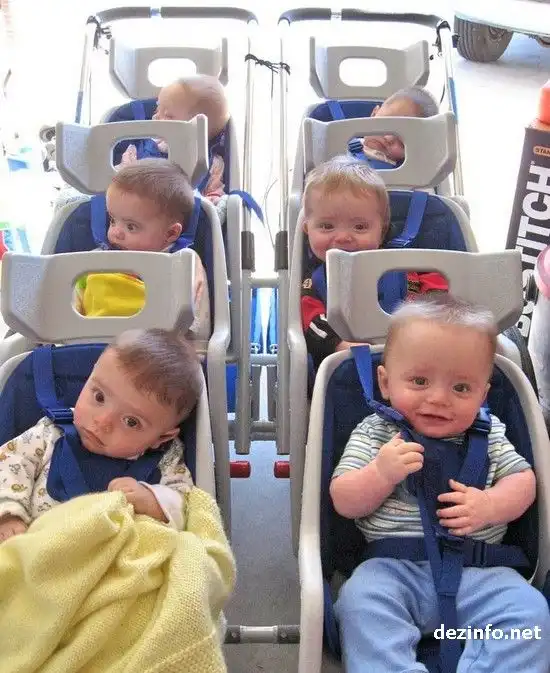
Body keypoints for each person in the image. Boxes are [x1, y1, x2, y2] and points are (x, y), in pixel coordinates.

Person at [330, 295, 550, 673]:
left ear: (482, 395)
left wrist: (490, 505)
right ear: (385, 382)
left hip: (479, 572)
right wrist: (380, 474)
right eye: (419, 381)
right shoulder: (375, 432)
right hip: (391, 570)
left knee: (528, 613)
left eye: (461, 388)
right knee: (358, 603)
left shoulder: (489, 433)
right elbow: (343, 500)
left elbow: (523, 480)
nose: (438, 398)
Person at [0, 328, 204, 542]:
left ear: (161, 438)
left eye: (131, 421)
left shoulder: (167, 458)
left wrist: (152, 501)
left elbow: (188, 505)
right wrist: (9, 515)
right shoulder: (50, 432)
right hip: (38, 545)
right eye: (99, 397)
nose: (102, 421)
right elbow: (9, 462)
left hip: (116, 557)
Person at [301, 155, 447, 370]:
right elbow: (312, 323)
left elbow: (439, 295)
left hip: (419, 362)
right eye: (327, 226)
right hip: (352, 368)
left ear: (382, 231)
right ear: (307, 229)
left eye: (359, 227)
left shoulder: (403, 267)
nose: (343, 237)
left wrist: (431, 317)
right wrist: (338, 345)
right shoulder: (315, 283)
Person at [75, 159, 210, 345]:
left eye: (131, 226)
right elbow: (71, 303)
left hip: (155, 351)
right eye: (112, 220)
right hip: (88, 346)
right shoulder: (94, 261)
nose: (115, 233)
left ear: (170, 233)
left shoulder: (183, 265)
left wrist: (194, 350)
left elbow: (198, 320)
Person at [121, 74, 230, 205]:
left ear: (198, 130)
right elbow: (117, 177)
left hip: (180, 215)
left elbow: (214, 199)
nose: (155, 117)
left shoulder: (212, 165)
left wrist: (209, 202)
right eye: (157, 109)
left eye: (168, 115)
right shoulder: (141, 147)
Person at [361, 85, 439, 166]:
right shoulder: (352, 138)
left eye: (401, 142)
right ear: (374, 114)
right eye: (386, 123)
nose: (388, 138)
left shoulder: (401, 172)